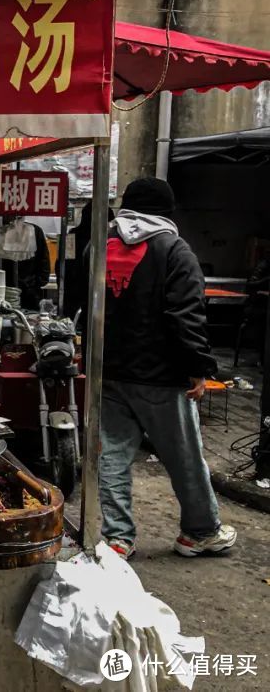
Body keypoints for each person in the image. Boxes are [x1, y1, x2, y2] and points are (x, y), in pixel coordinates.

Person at [98, 177, 234, 560]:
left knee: (112, 456)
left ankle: (117, 539)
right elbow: (186, 317)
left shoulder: (100, 244)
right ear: (167, 212)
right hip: (162, 377)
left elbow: (81, 305)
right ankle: (200, 532)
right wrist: (198, 369)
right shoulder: (175, 250)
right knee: (184, 456)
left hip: (110, 373)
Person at [62, 199, 115, 323]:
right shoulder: (106, 240)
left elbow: (62, 266)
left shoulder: (71, 236)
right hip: (94, 297)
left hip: (73, 296)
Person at [0, 216, 51, 310]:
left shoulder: (34, 231)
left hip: (30, 292)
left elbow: (44, 259)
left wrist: (38, 282)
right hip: (2, 291)